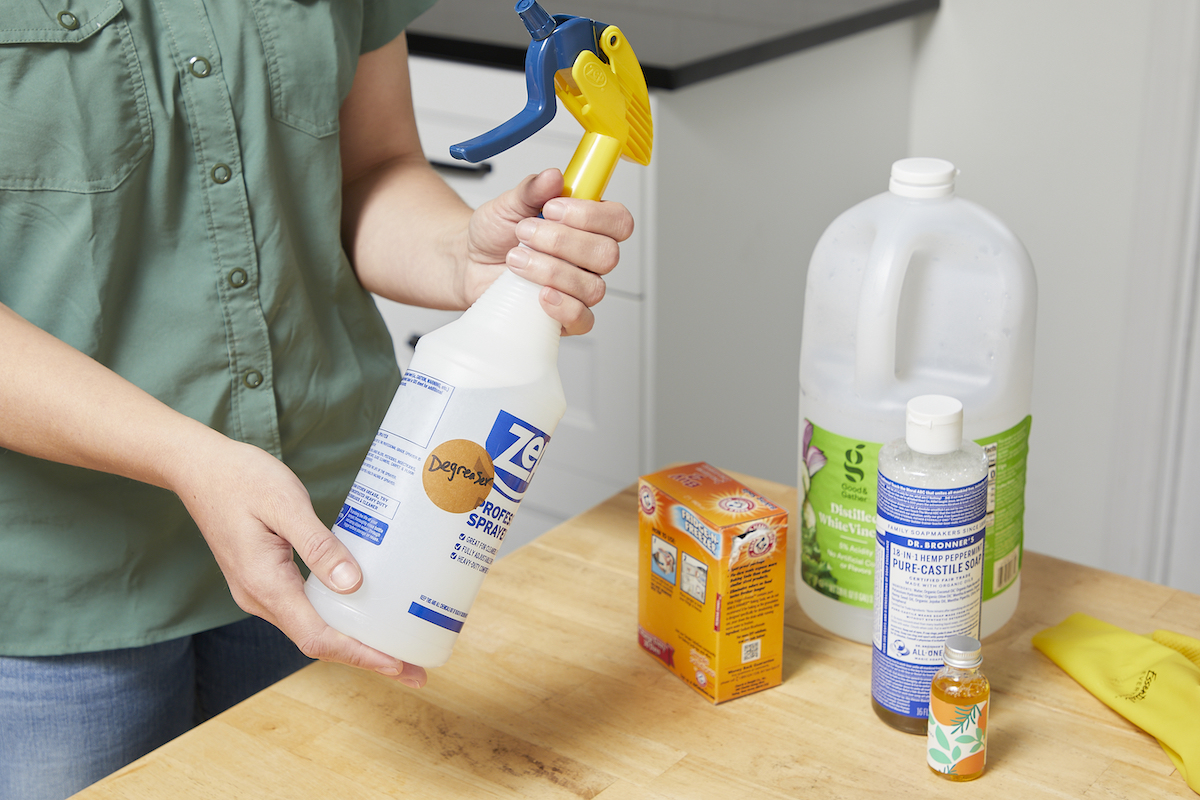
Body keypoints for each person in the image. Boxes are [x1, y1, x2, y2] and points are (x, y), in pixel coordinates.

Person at [0, 2, 633, 798]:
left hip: (339, 533)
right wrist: (190, 459)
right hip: (64, 585)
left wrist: (463, 260)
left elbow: (372, 166)